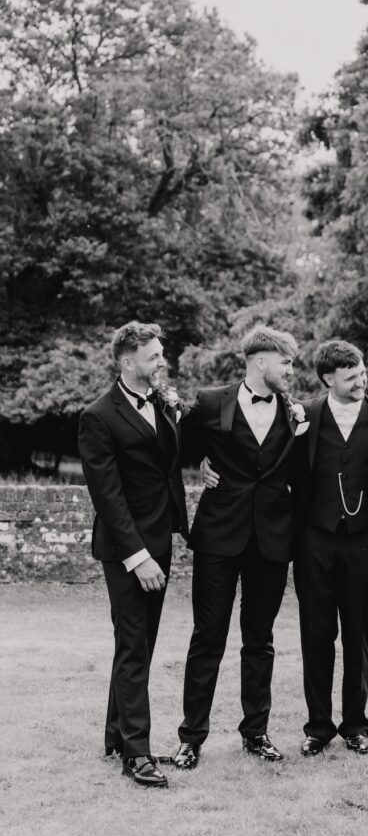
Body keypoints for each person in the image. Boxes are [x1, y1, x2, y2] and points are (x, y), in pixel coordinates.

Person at [173, 325, 301, 769]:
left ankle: (256, 732)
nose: (290, 370)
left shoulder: (294, 411)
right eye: (286, 362)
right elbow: (177, 447)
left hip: (272, 540)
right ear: (261, 360)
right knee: (207, 637)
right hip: (218, 537)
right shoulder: (211, 401)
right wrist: (200, 466)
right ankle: (191, 738)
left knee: (259, 640)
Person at [78, 321, 189, 788]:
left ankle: (115, 737)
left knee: (138, 643)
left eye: (161, 353)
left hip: (159, 540)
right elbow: (108, 496)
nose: (162, 361)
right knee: (132, 644)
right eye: (154, 355)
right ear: (128, 361)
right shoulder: (98, 415)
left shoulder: (160, 403)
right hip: (128, 550)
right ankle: (137, 754)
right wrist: (137, 556)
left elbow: (165, 467)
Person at [291, 340, 368, 757]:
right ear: (329, 378)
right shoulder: (303, 416)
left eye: (362, 374)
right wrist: (208, 464)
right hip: (314, 540)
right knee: (316, 634)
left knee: (359, 634)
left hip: (367, 542)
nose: (361, 382)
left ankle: (356, 725)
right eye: (351, 378)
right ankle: (318, 727)